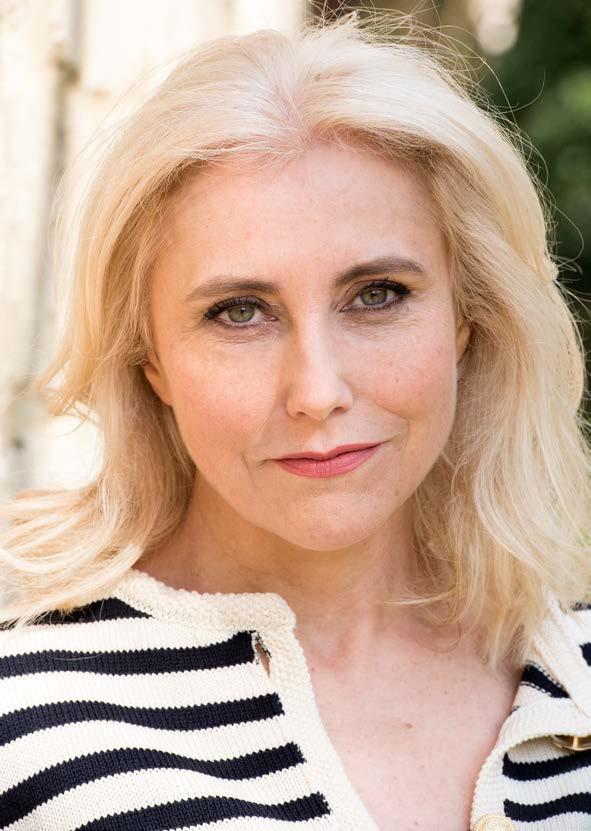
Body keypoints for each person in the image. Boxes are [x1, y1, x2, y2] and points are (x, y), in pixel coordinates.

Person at [1, 10, 590, 831]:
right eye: (239, 311)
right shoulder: (24, 722)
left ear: (465, 319)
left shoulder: (573, 669)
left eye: (377, 295)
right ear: (150, 359)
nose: (317, 390)